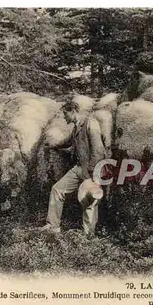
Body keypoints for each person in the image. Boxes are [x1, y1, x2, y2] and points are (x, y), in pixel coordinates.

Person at [40, 98, 106, 235]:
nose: (64, 117)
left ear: (73, 111)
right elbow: (69, 141)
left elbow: (98, 150)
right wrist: (54, 145)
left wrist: (92, 172)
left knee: (89, 201)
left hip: (92, 170)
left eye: (65, 113)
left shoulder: (90, 123)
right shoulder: (77, 126)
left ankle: (88, 236)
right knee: (57, 189)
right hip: (78, 168)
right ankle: (53, 225)